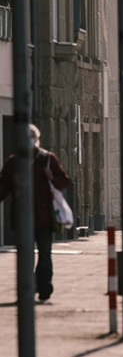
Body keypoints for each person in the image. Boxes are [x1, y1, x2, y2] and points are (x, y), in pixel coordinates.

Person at [0, 124, 71, 302]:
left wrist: (51, 177)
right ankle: (28, 288)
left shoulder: (47, 159)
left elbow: (64, 181)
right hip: (22, 217)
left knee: (44, 255)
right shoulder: (14, 162)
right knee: (26, 256)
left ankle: (44, 286)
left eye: (32, 137)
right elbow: (3, 186)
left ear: (37, 139)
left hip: (44, 218)